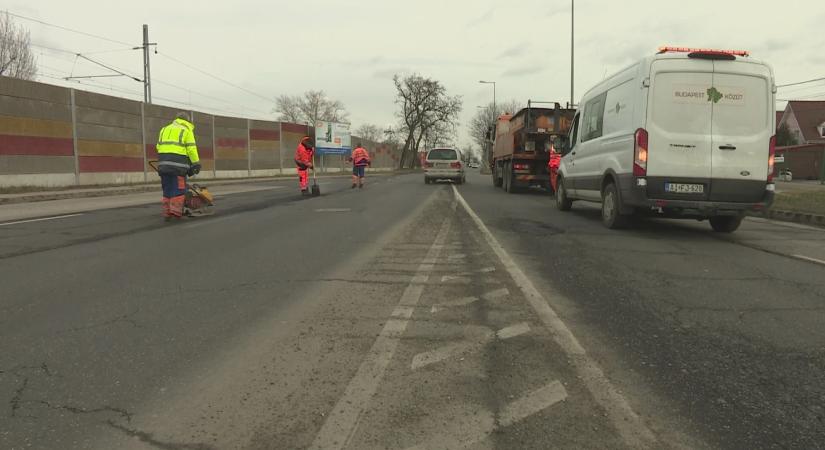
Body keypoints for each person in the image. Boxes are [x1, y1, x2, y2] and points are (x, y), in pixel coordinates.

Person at [156, 112, 200, 220]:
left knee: (167, 189)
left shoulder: (164, 129)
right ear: (187, 121)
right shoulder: (186, 130)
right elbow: (191, 148)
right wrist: (196, 163)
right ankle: (176, 212)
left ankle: (167, 212)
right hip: (178, 166)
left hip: (163, 165)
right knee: (178, 189)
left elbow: (158, 146)